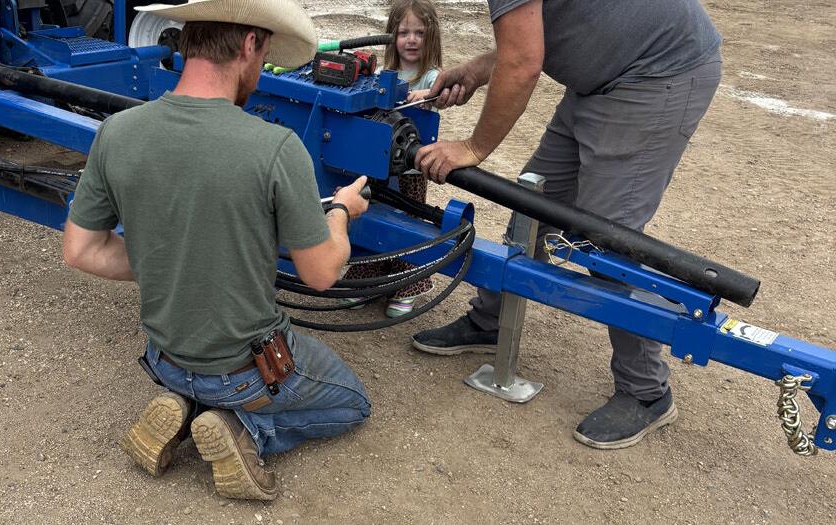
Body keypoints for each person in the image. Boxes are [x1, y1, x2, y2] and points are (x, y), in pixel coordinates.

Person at [62, 0, 371, 501]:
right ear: (249, 44)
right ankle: (243, 429)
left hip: (164, 358)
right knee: (353, 404)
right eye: (264, 54)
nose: (261, 68)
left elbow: (80, 250)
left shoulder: (117, 132)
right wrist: (340, 211)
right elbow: (320, 274)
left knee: (198, 375)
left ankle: (184, 406)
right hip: (246, 372)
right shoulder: (276, 147)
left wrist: (172, 258)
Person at [411, 0, 723, 449]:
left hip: (657, 74)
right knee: (534, 207)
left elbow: (523, 62)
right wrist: (479, 69)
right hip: (608, 75)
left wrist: (474, 147)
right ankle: (492, 321)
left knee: (609, 241)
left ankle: (646, 391)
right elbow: (544, 27)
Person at [343, 0, 443, 317]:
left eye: (420, 33)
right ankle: (369, 279)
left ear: (431, 37)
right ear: (391, 36)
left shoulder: (431, 77)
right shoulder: (384, 73)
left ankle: (407, 285)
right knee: (371, 216)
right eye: (403, 33)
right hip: (378, 165)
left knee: (405, 225)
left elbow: (440, 95)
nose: (411, 40)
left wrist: (426, 96)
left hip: (410, 171)